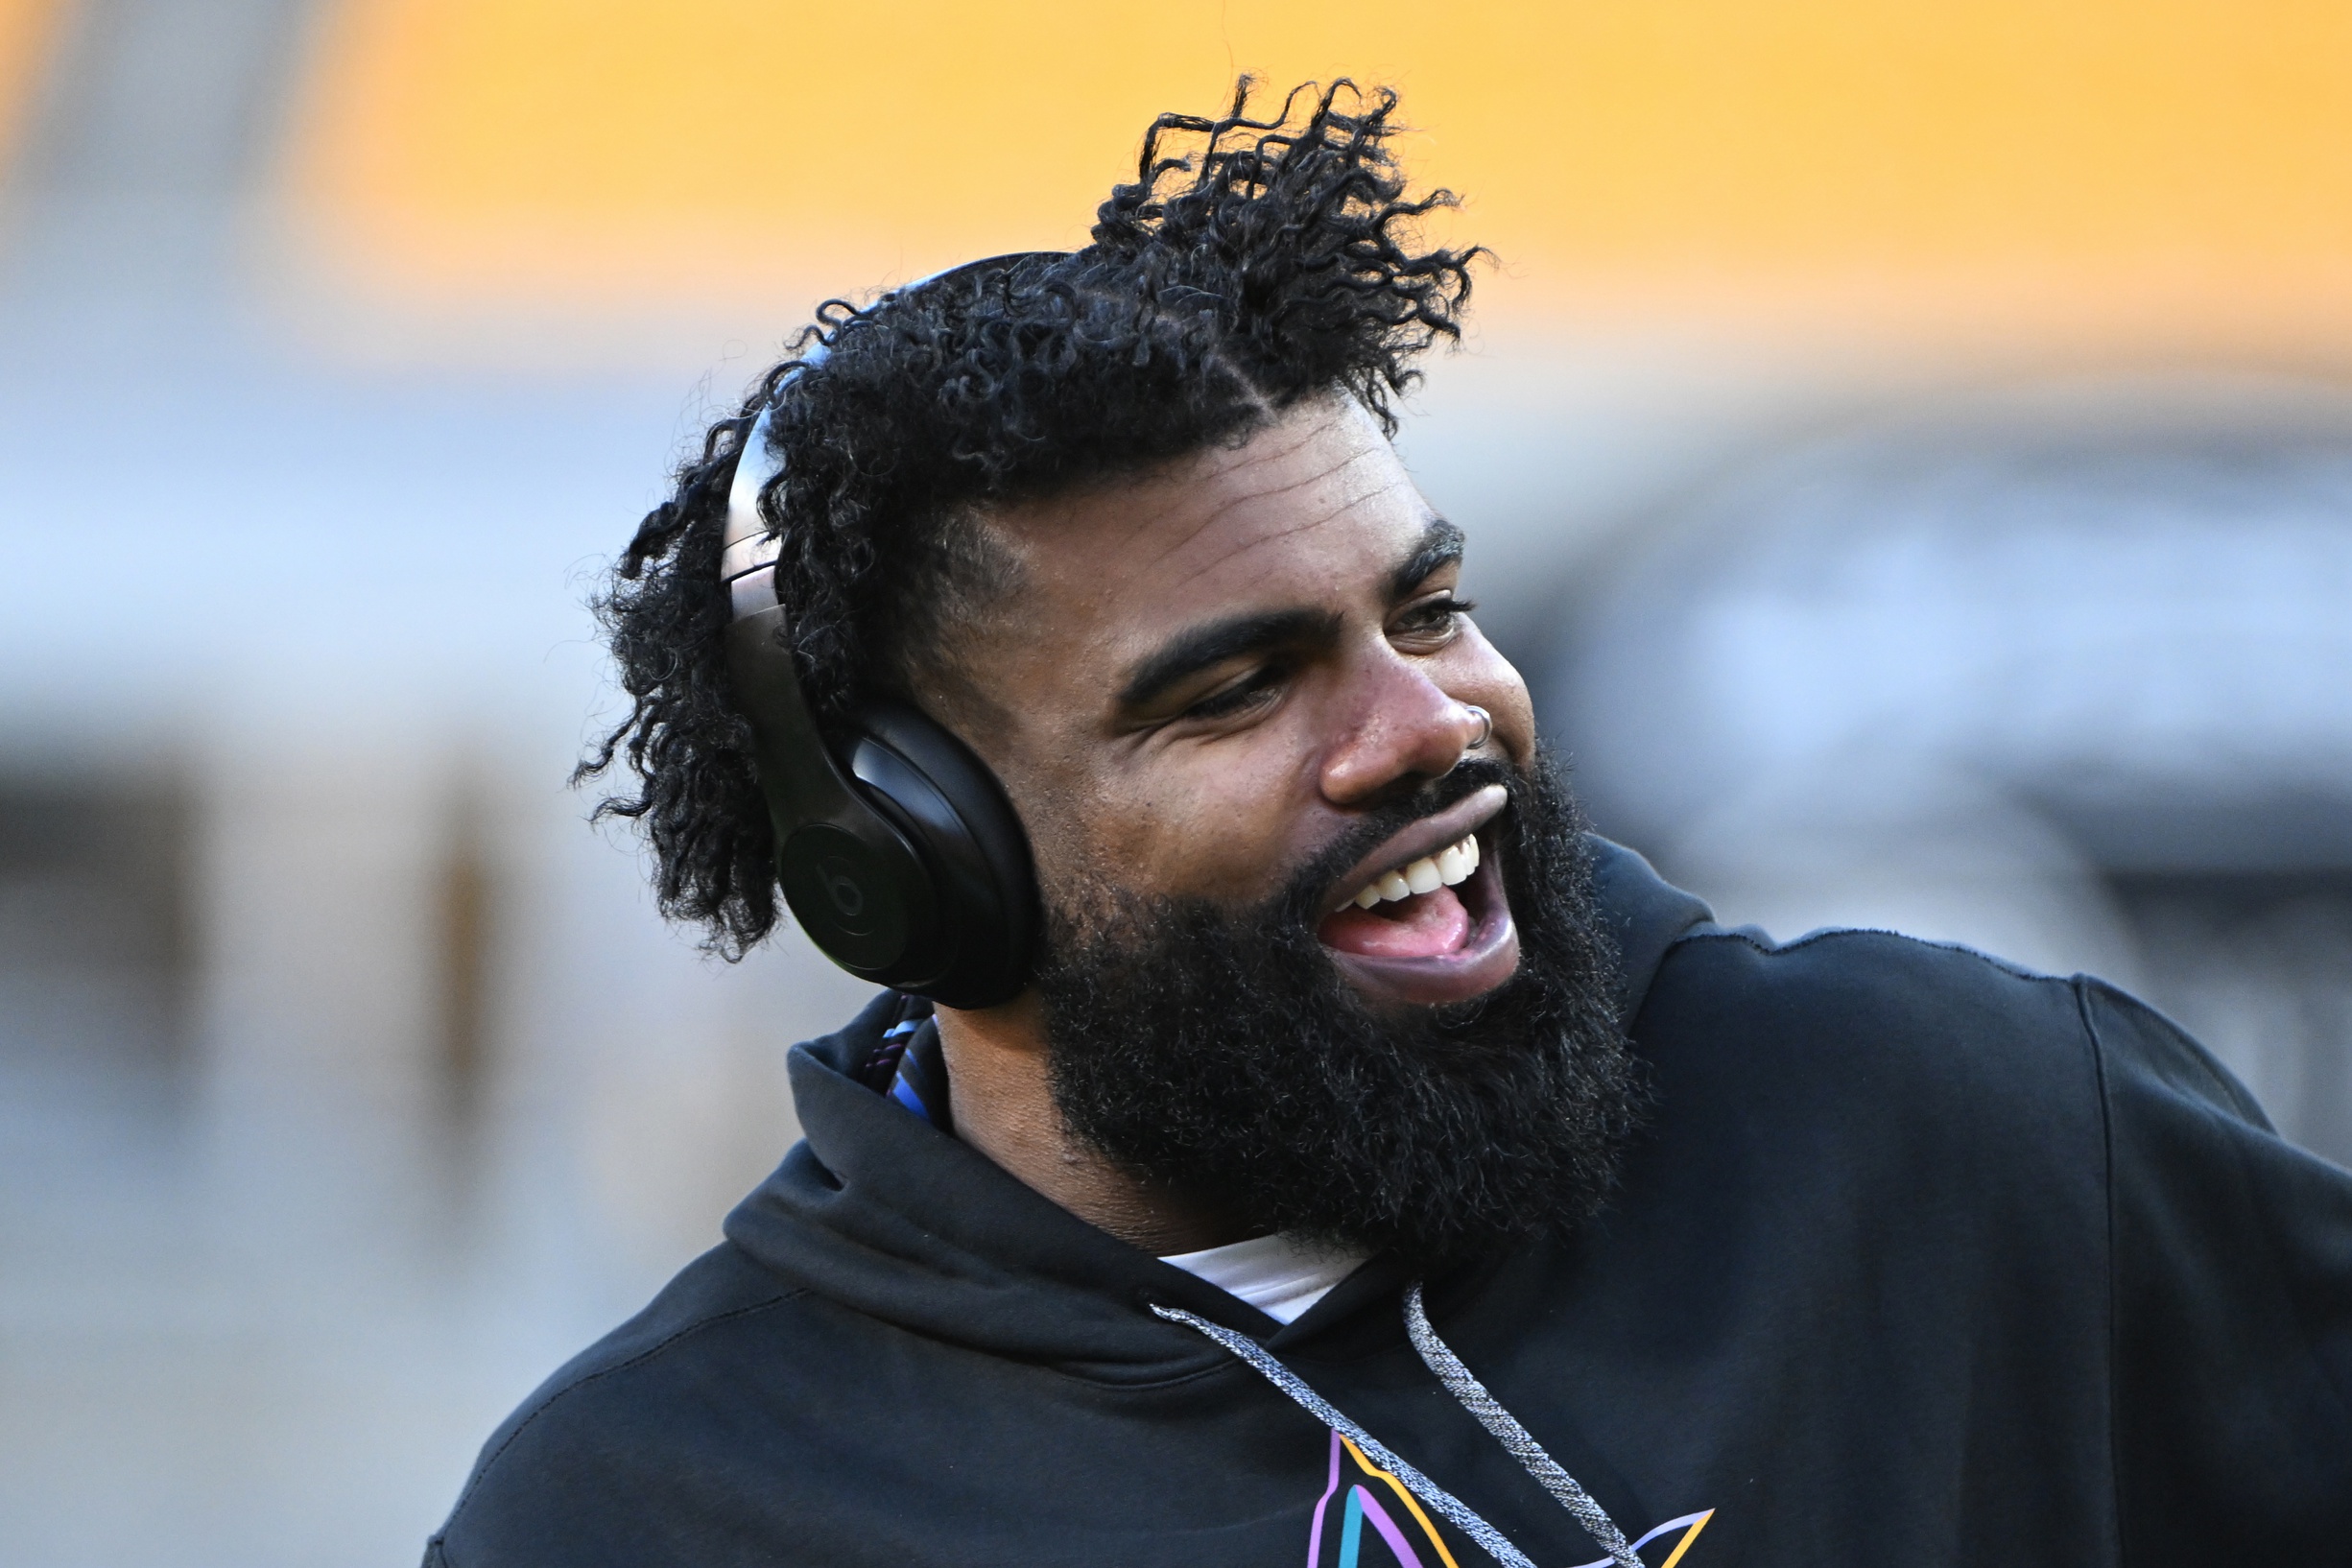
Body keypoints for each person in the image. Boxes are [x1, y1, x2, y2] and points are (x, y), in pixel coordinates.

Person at [424, 82, 2352, 1568]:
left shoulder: (1962, 1127)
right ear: (911, 862)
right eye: (1235, 687)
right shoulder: (651, 1511)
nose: (1425, 724)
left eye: (1421, 611)